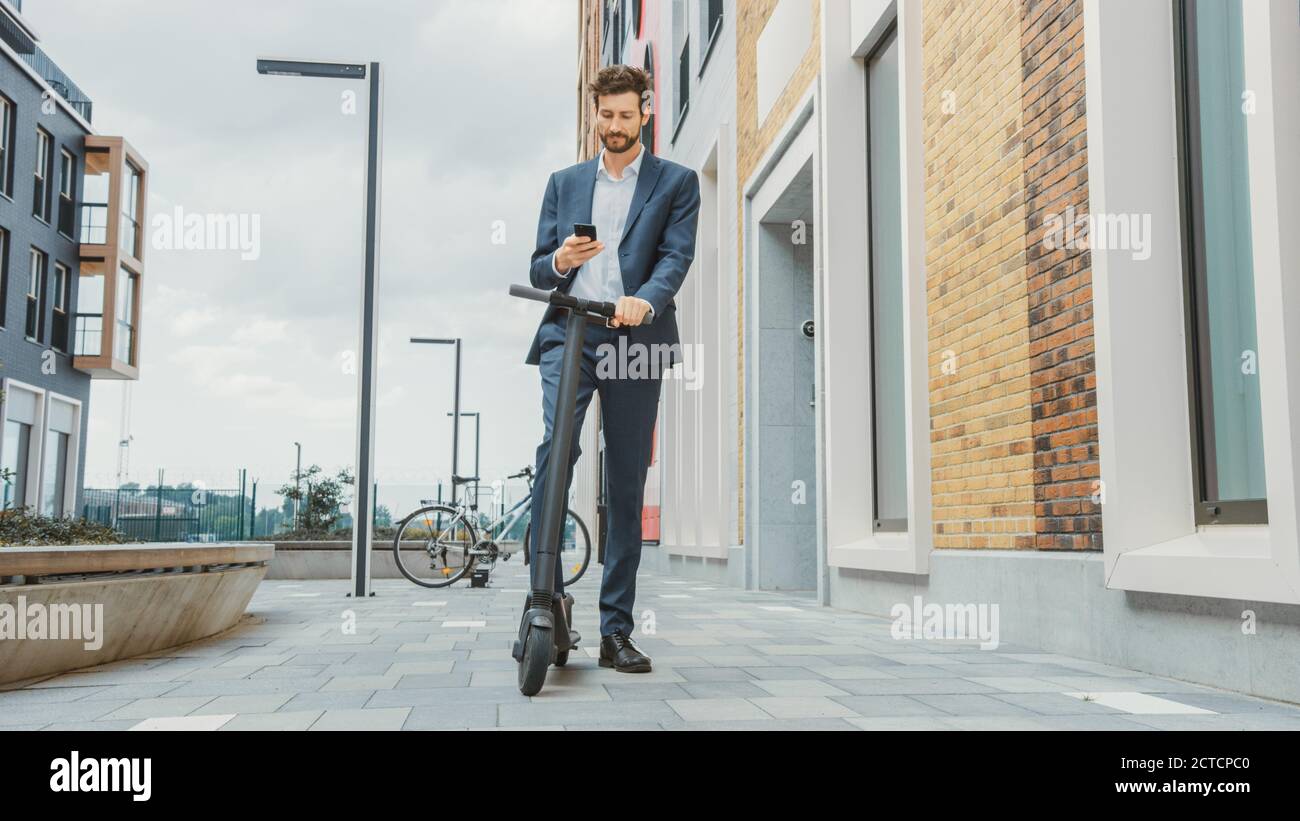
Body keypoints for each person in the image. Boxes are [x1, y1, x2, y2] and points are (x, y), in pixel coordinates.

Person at [524, 64, 701, 673]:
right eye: (606, 115)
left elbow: (675, 257)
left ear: (646, 113)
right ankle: (541, 602)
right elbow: (537, 267)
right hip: (569, 330)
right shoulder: (564, 182)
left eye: (627, 115)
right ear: (594, 114)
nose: (616, 126)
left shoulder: (676, 182)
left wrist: (645, 299)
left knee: (625, 481)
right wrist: (558, 259)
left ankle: (615, 630)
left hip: (634, 336)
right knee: (556, 454)